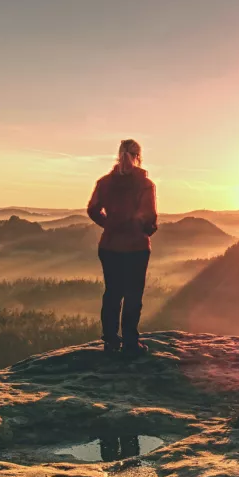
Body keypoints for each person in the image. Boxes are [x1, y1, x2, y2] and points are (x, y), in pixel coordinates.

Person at [87, 139, 158, 354]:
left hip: (109, 246)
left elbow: (92, 210)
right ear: (139, 157)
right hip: (136, 247)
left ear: (118, 156)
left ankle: (110, 341)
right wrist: (146, 230)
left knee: (112, 294)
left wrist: (109, 225)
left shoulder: (104, 183)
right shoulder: (145, 185)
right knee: (133, 296)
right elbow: (149, 216)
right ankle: (130, 343)